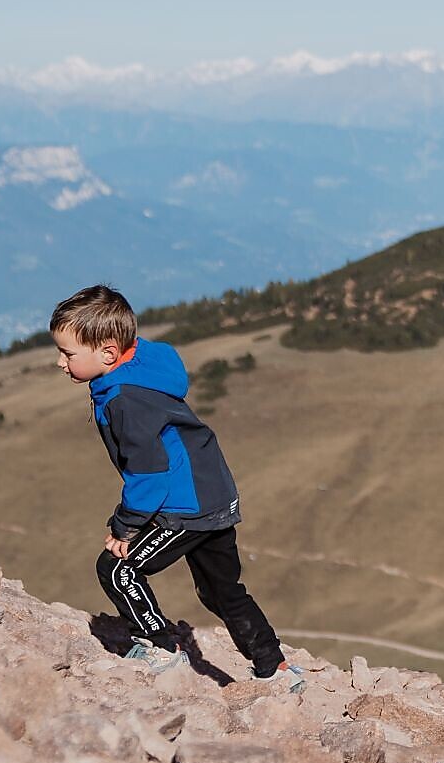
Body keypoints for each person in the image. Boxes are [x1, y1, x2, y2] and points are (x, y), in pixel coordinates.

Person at [50, 284, 301, 689]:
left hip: (184, 506)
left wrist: (125, 527)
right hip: (214, 493)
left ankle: (161, 647)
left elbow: (148, 474)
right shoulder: (147, 364)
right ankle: (276, 668)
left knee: (116, 569)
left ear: (109, 354)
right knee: (222, 589)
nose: (60, 362)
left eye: (68, 353)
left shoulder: (125, 400)